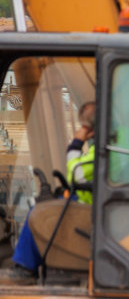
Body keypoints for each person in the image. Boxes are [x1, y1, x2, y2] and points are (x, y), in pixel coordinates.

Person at [13, 102, 96, 275]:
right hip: (93, 199)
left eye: (84, 126)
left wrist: (75, 144)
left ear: (90, 129)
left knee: (38, 214)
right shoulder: (117, 141)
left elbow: (77, 174)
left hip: (91, 204)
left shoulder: (107, 146)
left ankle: (25, 268)